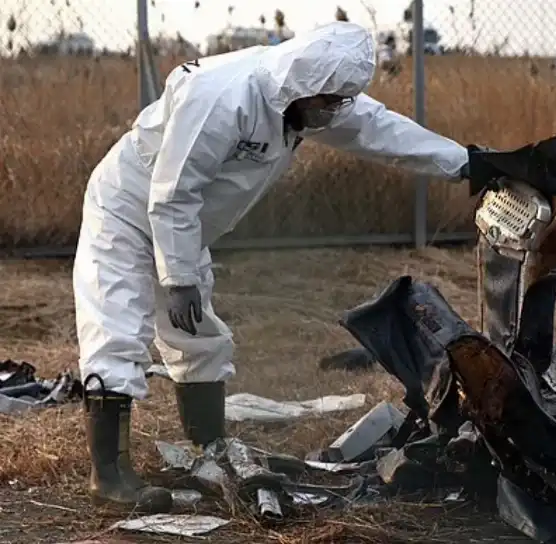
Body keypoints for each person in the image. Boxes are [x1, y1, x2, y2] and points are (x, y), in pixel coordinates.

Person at [74, 21, 488, 514]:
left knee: (200, 334)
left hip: (184, 227)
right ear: (304, 86)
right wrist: (178, 277)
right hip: (129, 210)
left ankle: (212, 448)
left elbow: (381, 130)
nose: (336, 112)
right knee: (118, 327)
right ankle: (109, 475)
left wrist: (468, 162)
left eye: (341, 102)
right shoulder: (222, 97)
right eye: (330, 102)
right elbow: (173, 192)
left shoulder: (308, 98)